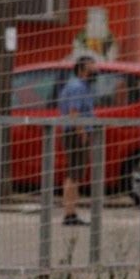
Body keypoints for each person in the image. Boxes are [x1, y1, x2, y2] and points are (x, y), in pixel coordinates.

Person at [58, 56, 97, 227]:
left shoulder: (82, 86)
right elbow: (75, 112)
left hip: (76, 132)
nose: (95, 71)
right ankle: (69, 214)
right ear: (82, 70)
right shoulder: (77, 87)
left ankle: (72, 212)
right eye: (91, 68)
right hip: (75, 134)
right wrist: (82, 133)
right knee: (73, 174)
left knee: (75, 173)